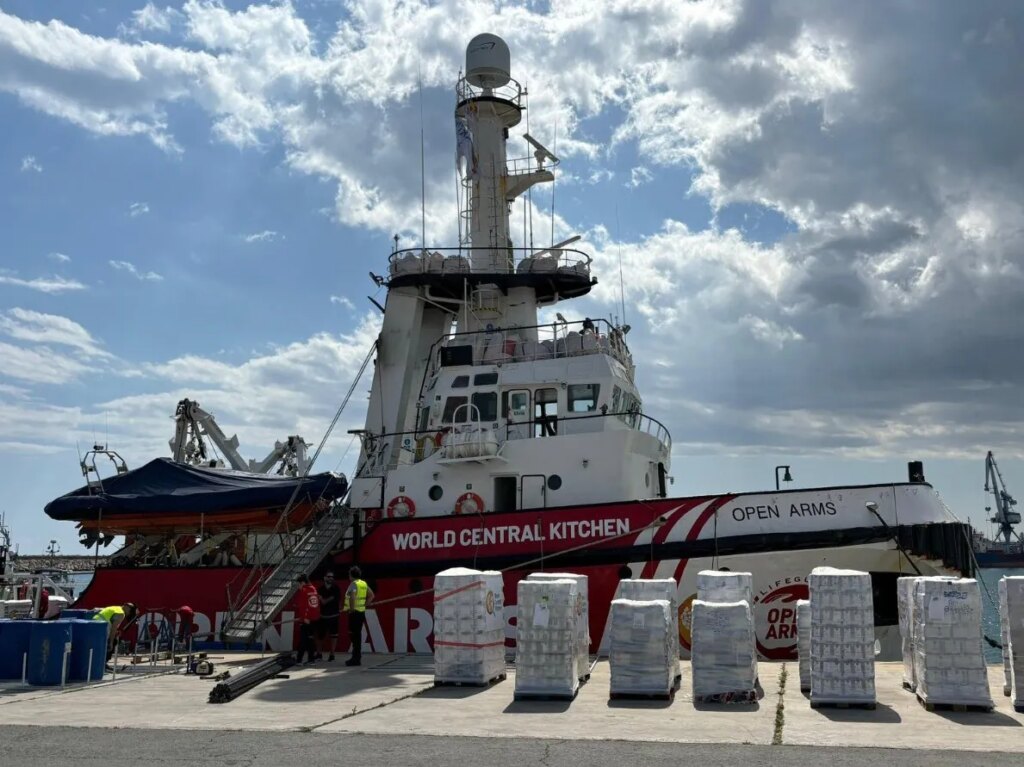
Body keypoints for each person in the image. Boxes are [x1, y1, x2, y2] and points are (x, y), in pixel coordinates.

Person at [344, 566, 374, 667]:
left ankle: (355, 658)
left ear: (351, 575)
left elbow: (352, 597)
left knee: (354, 636)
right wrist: (365, 604)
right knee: (357, 636)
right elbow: (371, 595)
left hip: (354, 613)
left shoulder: (353, 584)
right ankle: (356, 657)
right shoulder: (363, 583)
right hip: (361, 612)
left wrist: (351, 609)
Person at [294, 574, 320, 665]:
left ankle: (299, 660)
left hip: (306, 619)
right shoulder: (313, 589)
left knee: (303, 640)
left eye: (298, 584)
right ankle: (311, 659)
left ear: (302, 583)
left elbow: (302, 606)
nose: (298, 586)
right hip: (314, 619)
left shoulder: (303, 590)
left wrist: (304, 618)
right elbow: (315, 605)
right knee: (310, 639)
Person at [317, 571, 342, 662]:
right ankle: (319, 654)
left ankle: (332, 654)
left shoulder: (336, 589)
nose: (331, 578)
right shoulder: (320, 589)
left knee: (334, 635)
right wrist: (324, 600)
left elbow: (324, 601)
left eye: (332, 577)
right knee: (320, 636)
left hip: (333, 616)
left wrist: (323, 599)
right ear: (324, 578)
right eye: (329, 576)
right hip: (322, 616)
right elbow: (321, 601)